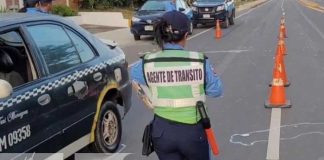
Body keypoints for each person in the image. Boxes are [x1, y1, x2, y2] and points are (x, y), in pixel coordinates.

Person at [130, 11, 223, 160]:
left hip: (162, 133)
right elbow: (216, 91)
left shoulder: (147, 62)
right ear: (186, 36)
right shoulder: (199, 61)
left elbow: (134, 77)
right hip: (193, 133)